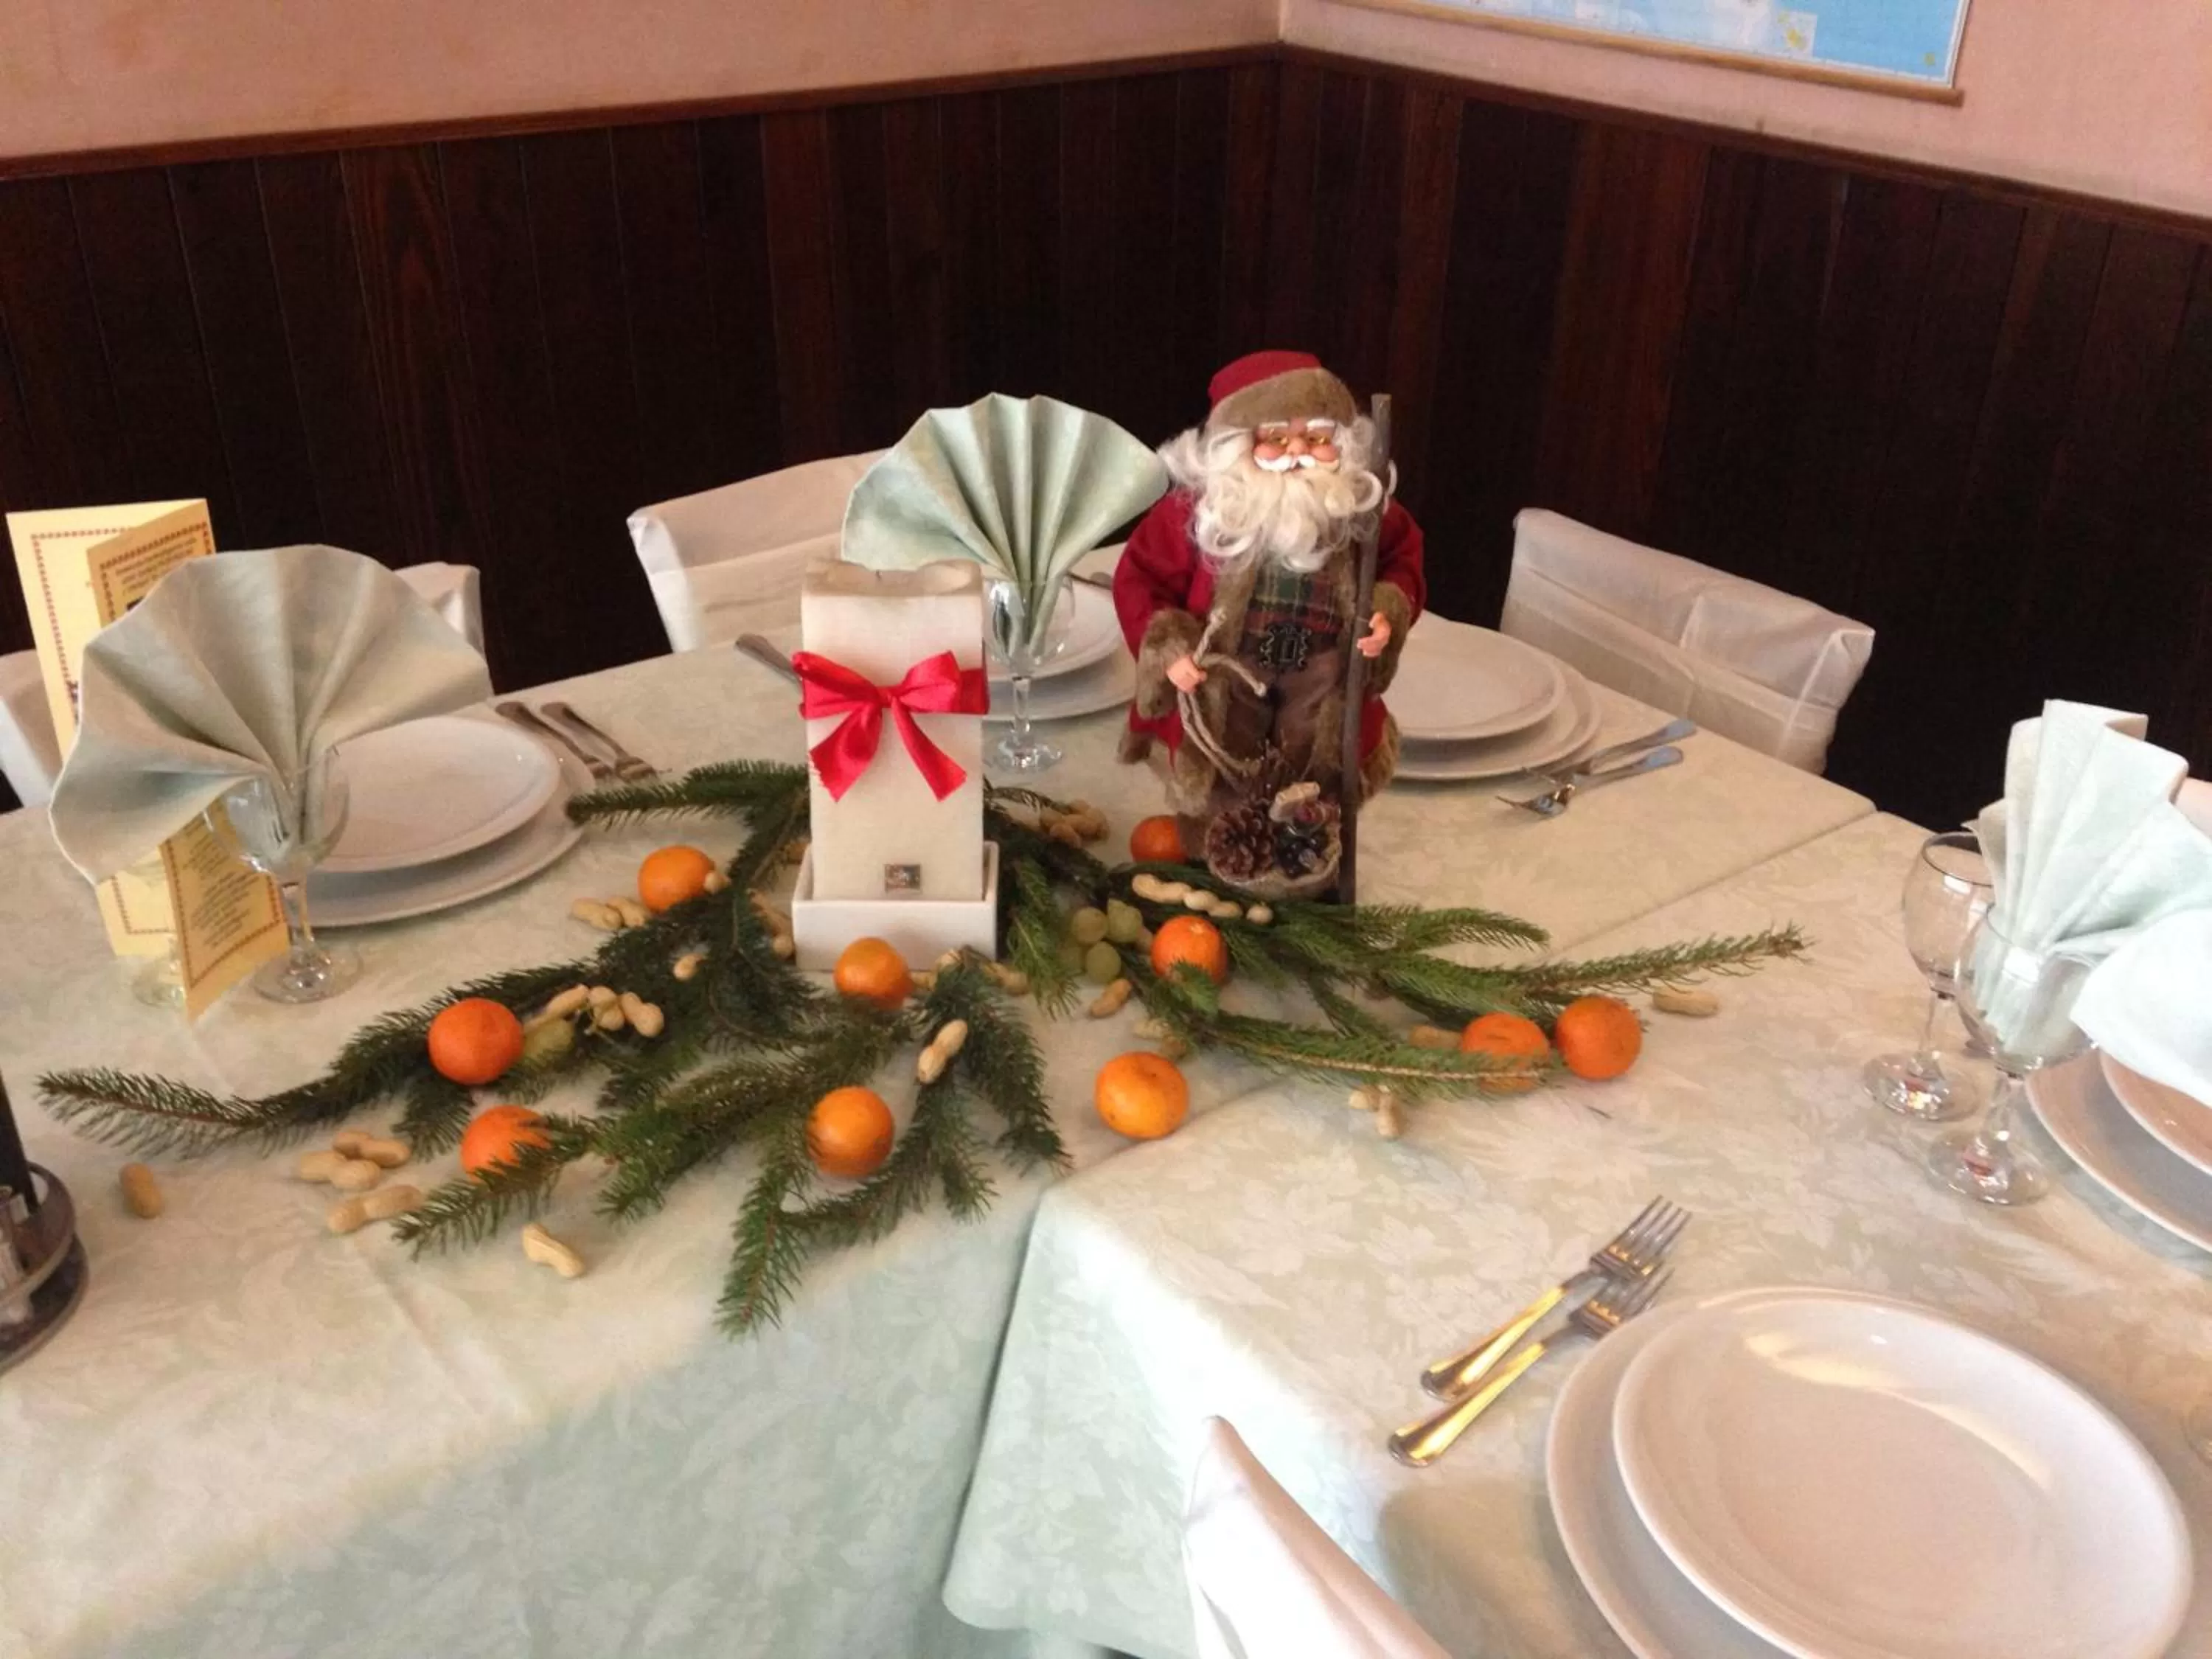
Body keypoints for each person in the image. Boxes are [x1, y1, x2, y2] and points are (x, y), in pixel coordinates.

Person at [1113, 350, 1426, 855]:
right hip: (1226, 675)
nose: (1298, 451)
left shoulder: (1360, 509)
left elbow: (1402, 561)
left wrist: (1388, 610)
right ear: (1239, 448)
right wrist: (1169, 648)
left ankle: (1309, 858)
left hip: (1323, 677)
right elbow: (1139, 578)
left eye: (1318, 439)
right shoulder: (1196, 514)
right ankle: (1216, 854)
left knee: (1316, 764)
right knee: (1221, 760)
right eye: (1277, 439)